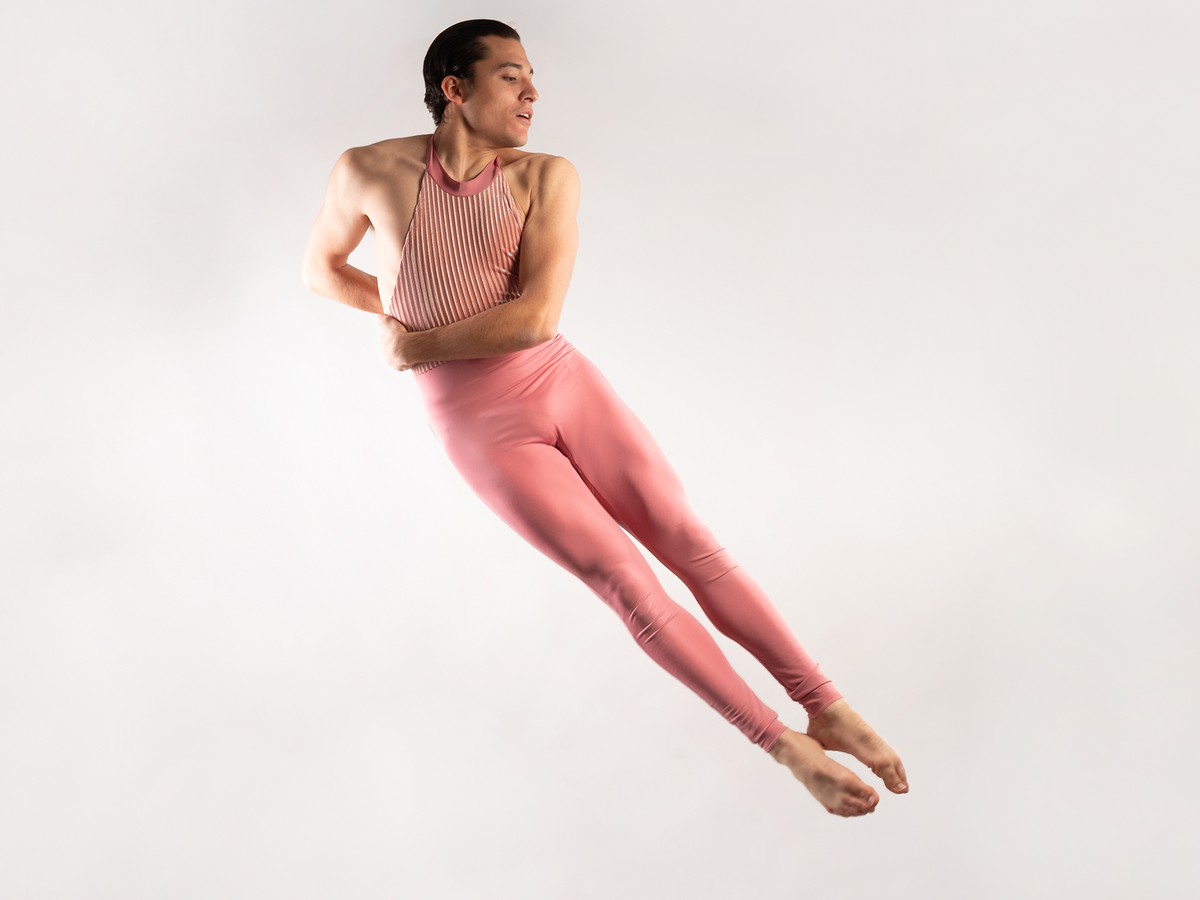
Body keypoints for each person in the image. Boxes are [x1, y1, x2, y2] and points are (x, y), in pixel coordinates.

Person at [302, 18, 907, 817]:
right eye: (512, 75)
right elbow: (322, 268)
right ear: (454, 87)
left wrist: (415, 341)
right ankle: (784, 744)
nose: (533, 92)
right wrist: (394, 316)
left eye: (532, 78)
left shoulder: (545, 177)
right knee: (626, 583)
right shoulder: (366, 169)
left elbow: (533, 320)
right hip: (480, 426)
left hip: (562, 383)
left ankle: (826, 704)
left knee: (688, 539)